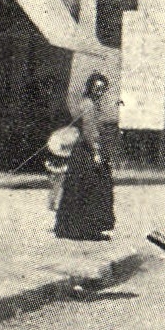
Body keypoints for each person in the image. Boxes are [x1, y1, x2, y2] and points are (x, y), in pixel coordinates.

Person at [54, 73, 115, 241]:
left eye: (103, 89)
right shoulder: (88, 105)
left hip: (84, 151)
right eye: (97, 88)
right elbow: (89, 131)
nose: (100, 91)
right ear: (90, 88)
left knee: (79, 188)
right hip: (86, 152)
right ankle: (88, 229)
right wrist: (95, 153)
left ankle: (72, 227)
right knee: (92, 188)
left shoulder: (93, 103)